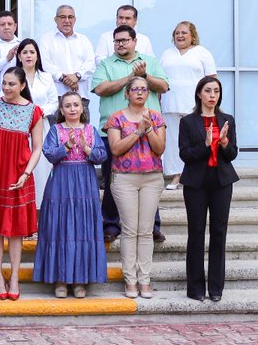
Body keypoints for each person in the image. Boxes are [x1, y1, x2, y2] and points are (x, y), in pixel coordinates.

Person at [92, 24, 169, 246]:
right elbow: (100, 89)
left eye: (125, 40)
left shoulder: (149, 61)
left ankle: (152, 226)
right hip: (114, 130)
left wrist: (144, 76)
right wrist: (129, 78)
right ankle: (111, 225)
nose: (120, 44)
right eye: (117, 41)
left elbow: (164, 86)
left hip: (148, 128)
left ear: (135, 41)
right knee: (112, 179)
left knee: (149, 177)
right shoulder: (106, 64)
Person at [0, 67, 44, 300]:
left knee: (15, 229)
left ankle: (14, 277)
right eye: (4, 83)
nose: (6, 87)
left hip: (19, 172)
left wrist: (27, 173)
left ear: (22, 86)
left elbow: (37, 148)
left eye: (11, 84)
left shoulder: (34, 111)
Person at [33, 91, 108, 299]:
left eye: (76, 105)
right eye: (68, 105)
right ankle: (60, 279)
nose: (72, 109)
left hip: (85, 183)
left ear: (82, 108)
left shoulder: (91, 130)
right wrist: (67, 145)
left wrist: (86, 148)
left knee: (83, 228)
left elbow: (102, 156)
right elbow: (49, 154)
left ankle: (80, 279)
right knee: (60, 228)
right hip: (61, 184)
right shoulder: (55, 130)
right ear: (62, 109)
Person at [106, 76, 166, 299]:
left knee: (146, 230)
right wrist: (138, 131)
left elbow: (160, 149)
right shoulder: (116, 118)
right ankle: (130, 280)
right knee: (130, 230)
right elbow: (115, 149)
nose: (140, 92)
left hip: (152, 178)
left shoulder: (156, 117)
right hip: (124, 178)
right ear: (127, 93)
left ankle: (145, 279)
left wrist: (149, 130)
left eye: (144, 89)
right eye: (135, 89)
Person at [180, 75, 238, 303]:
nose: (212, 95)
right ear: (199, 94)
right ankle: (195, 288)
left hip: (221, 182)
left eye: (216, 91)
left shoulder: (227, 120)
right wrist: (205, 145)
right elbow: (185, 154)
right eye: (208, 91)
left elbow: (232, 154)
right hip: (196, 183)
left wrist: (224, 143)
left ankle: (216, 288)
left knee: (219, 233)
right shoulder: (188, 122)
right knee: (196, 233)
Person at [160, 21, 217, 189]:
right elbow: (160, 79)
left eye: (184, 32)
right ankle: (176, 176)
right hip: (170, 104)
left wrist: (209, 101)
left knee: (197, 140)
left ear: (192, 35)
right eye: (177, 33)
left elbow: (212, 80)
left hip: (194, 105)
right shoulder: (167, 54)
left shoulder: (202, 53)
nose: (180, 35)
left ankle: (197, 175)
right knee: (173, 142)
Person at [17, 38, 59, 206]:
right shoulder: (14, 76)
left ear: (37, 56)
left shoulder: (46, 77)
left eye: (32, 52)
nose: (29, 55)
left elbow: (54, 102)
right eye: (25, 52)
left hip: (42, 125)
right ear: (19, 56)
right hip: (19, 128)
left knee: (42, 167)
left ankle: (41, 210)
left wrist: (38, 113)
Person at [39, 4, 95, 100]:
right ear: (55, 19)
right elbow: (45, 64)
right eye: (63, 17)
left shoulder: (83, 40)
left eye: (70, 17)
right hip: (55, 96)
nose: (67, 21)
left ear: (75, 20)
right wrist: (63, 78)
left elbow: (91, 64)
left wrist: (77, 76)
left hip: (80, 95)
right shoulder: (46, 39)